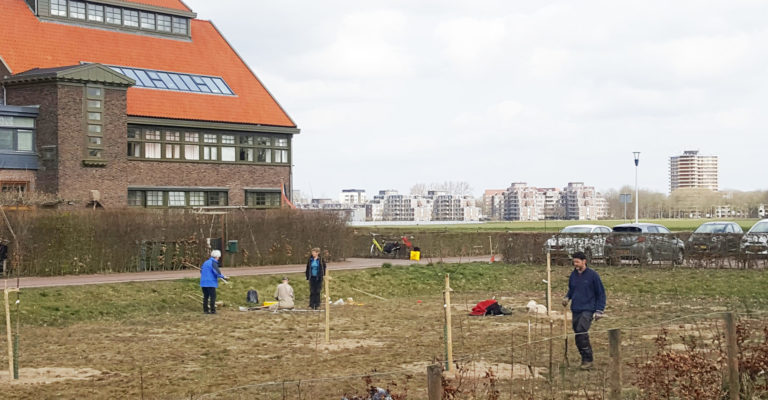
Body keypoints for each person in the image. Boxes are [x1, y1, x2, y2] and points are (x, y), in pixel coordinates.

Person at [562, 251, 606, 370]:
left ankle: (588, 360)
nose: (575, 264)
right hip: (576, 308)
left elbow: (601, 294)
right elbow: (572, 289)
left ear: (584, 261)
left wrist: (599, 310)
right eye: (574, 262)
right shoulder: (573, 275)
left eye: (577, 262)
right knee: (578, 334)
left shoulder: (593, 276)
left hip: (588, 308)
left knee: (582, 331)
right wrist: (567, 297)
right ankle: (583, 358)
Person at [200, 249, 228, 314]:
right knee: (213, 297)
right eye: (219, 257)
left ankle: (205, 310)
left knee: (205, 297)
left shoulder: (205, 262)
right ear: (217, 257)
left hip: (203, 282)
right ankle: (213, 310)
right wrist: (224, 277)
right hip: (211, 283)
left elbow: (201, 271)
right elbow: (217, 272)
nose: (218, 259)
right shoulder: (213, 263)